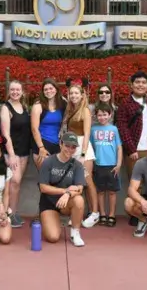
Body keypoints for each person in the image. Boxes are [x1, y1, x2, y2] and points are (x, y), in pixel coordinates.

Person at [38, 132, 86, 247]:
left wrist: (68, 194)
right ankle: (51, 220)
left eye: (73, 147)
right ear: (61, 144)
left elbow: (79, 189)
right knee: (53, 237)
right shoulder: (48, 161)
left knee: (79, 200)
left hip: (66, 203)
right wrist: (65, 191)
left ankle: (75, 233)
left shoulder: (77, 165)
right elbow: (43, 188)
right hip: (49, 202)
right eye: (67, 145)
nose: (70, 149)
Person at [63, 81, 99, 228]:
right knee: (75, 182)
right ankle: (77, 213)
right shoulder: (70, 110)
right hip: (71, 147)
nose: (73, 96)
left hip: (83, 148)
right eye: (71, 93)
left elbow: (86, 133)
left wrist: (83, 154)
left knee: (87, 180)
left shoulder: (85, 111)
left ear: (82, 95)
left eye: (76, 93)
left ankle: (95, 212)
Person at [0, 80, 31, 228]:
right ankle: (7, 212)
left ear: (22, 91)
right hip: (12, 151)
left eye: (17, 90)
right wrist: (11, 154)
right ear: (9, 91)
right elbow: (5, 133)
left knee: (16, 184)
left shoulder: (24, 106)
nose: (15, 92)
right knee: (15, 181)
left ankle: (13, 212)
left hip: (24, 151)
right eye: (12, 90)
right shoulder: (6, 108)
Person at [90, 103, 123, 227]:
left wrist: (119, 163)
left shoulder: (114, 129)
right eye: (99, 115)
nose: (102, 117)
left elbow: (119, 147)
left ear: (110, 115)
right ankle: (102, 214)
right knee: (100, 191)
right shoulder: (93, 129)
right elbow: (91, 147)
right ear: (96, 116)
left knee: (112, 192)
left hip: (112, 166)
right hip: (98, 165)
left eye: (105, 115)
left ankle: (112, 215)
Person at [30, 78, 66, 170]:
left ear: (56, 89)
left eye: (51, 88)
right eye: (45, 89)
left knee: (57, 178)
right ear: (42, 92)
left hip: (58, 145)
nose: (48, 91)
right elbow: (34, 129)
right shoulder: (38, 106)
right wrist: (41, 148)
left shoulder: (62, 104)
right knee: (45, 178)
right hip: (43, 143)